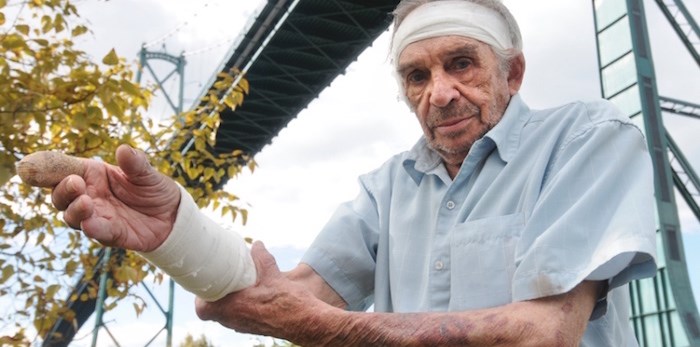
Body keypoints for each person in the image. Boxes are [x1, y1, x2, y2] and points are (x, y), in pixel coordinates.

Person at [49, 0, 658, 345]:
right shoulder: (387, 187)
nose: (439, 94)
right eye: (416, 76)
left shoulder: (587, 139)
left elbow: (546, 332)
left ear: (514, 73)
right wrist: (174, 232)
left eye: (462, 64)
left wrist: (329, 329)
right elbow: (290, 297)